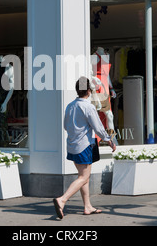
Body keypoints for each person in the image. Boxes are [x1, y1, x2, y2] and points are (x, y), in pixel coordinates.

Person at [53, 77, 116, 219]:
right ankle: (62, 200)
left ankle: (87, 206)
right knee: (83, 177)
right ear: (88, 91)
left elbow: (65, 125)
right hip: (84, 145)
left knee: (83, 177)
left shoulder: (70, 105)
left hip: (72, 144)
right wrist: (109, 140)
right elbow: (98, 127)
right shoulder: (88, 106)